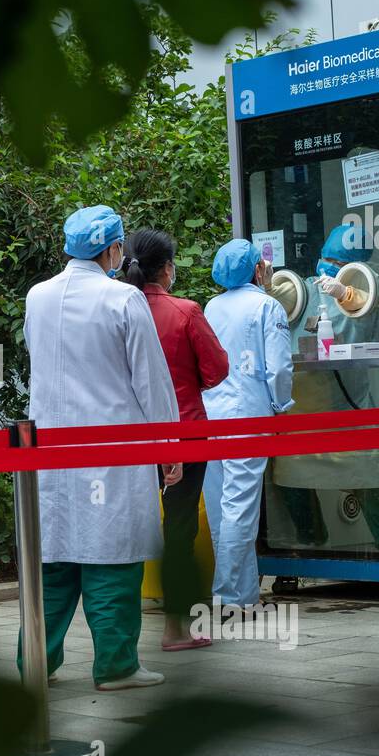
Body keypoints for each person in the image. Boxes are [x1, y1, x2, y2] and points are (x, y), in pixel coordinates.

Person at [24, 206, 179, 691]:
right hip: (112, 450)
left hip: (50, 448)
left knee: (53, 561)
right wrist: (168, 444)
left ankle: (35, 663)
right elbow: (150, 381)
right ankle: (115, 666)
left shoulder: (38, 296)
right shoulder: (124, 300)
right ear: (113, 249)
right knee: (114, 557)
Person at [270, 223, 379, 554]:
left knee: (304, 472)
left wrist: (346, 293)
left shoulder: (348, 293)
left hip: (305, 412)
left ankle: (310, 536)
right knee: (363, 470)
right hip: (341, 411)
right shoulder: (362, 296)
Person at [122, 229, 229, 651]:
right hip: (184, 431)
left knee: (128, 527)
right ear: (166, 269)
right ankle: (175, 629)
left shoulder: (118, 309)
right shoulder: (185, 311)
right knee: (180, 529)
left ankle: (119, 636)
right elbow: (217, 369)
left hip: (130, 435)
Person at [202, 239, 294, 610]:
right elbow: (279, 368)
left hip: (211, 415)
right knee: (240, 506)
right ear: (258, 270)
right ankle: (226, 595)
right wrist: (280, 405)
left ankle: (243, 596)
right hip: (248, 416)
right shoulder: (268, 306)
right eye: (264, 264)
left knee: (221, 506)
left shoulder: (211, 306)